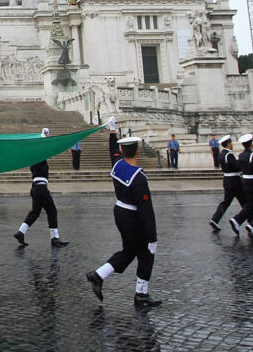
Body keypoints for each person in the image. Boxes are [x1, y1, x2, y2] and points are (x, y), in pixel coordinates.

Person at [86, 120, 160, 308]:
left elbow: (113, 151)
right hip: (133, 217)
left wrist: (112, 132)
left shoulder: (118, 165)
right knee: (145, 253)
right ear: (138, 151)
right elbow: (146, 211)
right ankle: (141, 294)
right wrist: (152, 237)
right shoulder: (139, 178)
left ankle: (99, 275)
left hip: (119, 212)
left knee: (129, 251)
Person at [14, 128, 69, 248]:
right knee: (52, 211)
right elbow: (44, 149)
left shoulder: (33, 160)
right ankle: (54, 237)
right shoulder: (39, 157)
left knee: (35, 212)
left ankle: (20, 232)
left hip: (35, 188)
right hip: (41, 189)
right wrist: (43, 140)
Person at [209, 135, 246, 231]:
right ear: (228, 144)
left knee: (225, 202)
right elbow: (237, 166)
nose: (232, 144)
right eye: (231, 143)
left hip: (227, 180)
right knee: (245, 203)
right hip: (235, 181)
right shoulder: (229, 155)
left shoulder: (221, 154)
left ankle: (215, 219)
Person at [230, 134, 253, 236]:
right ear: (251, 144)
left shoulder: (241, 155)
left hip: (245, 182)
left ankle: (238, 220)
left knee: (251, 204)